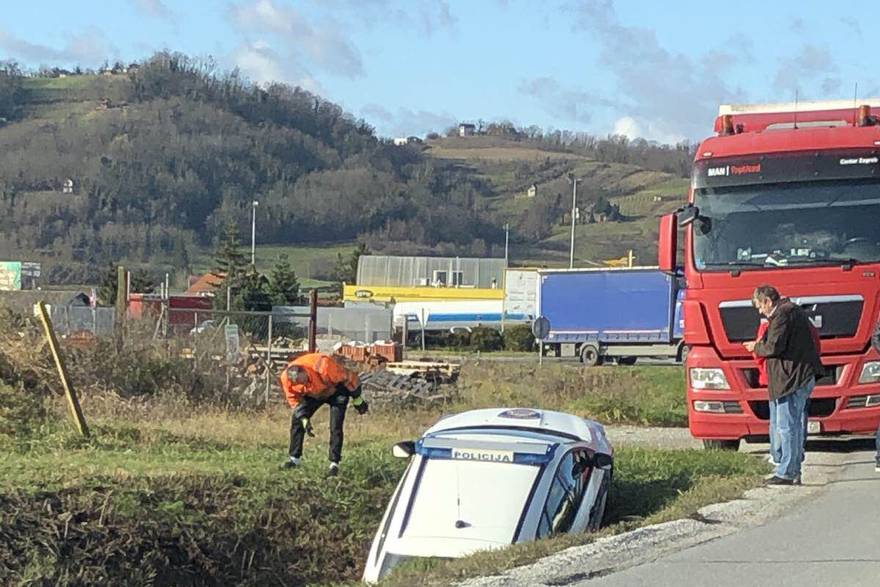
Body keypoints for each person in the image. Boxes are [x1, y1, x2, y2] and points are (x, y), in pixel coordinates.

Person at [744, 285, 822, 486]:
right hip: (796, 376)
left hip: (791, 379)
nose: (760, 311)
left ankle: (787, 471)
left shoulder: (782, 316)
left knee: (787, 427)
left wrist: (756, 347)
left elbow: (774, 347)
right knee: (792, 426)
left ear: (768, 301)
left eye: (760, 306)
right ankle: (792, 469)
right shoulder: (793, 312)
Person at [279, 352, 369, 476]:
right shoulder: (286, 379)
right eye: (300, 384)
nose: (304, 384)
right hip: (313, 394)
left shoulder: (324, 366)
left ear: (305, 371)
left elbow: (349, 378)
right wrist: (304, 419)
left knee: (335, 425)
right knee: (297, 421)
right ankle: (294, 459)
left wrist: (357, 399)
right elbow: (294, 401)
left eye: (304, 380)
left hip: (336, 390)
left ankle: (334, 463)